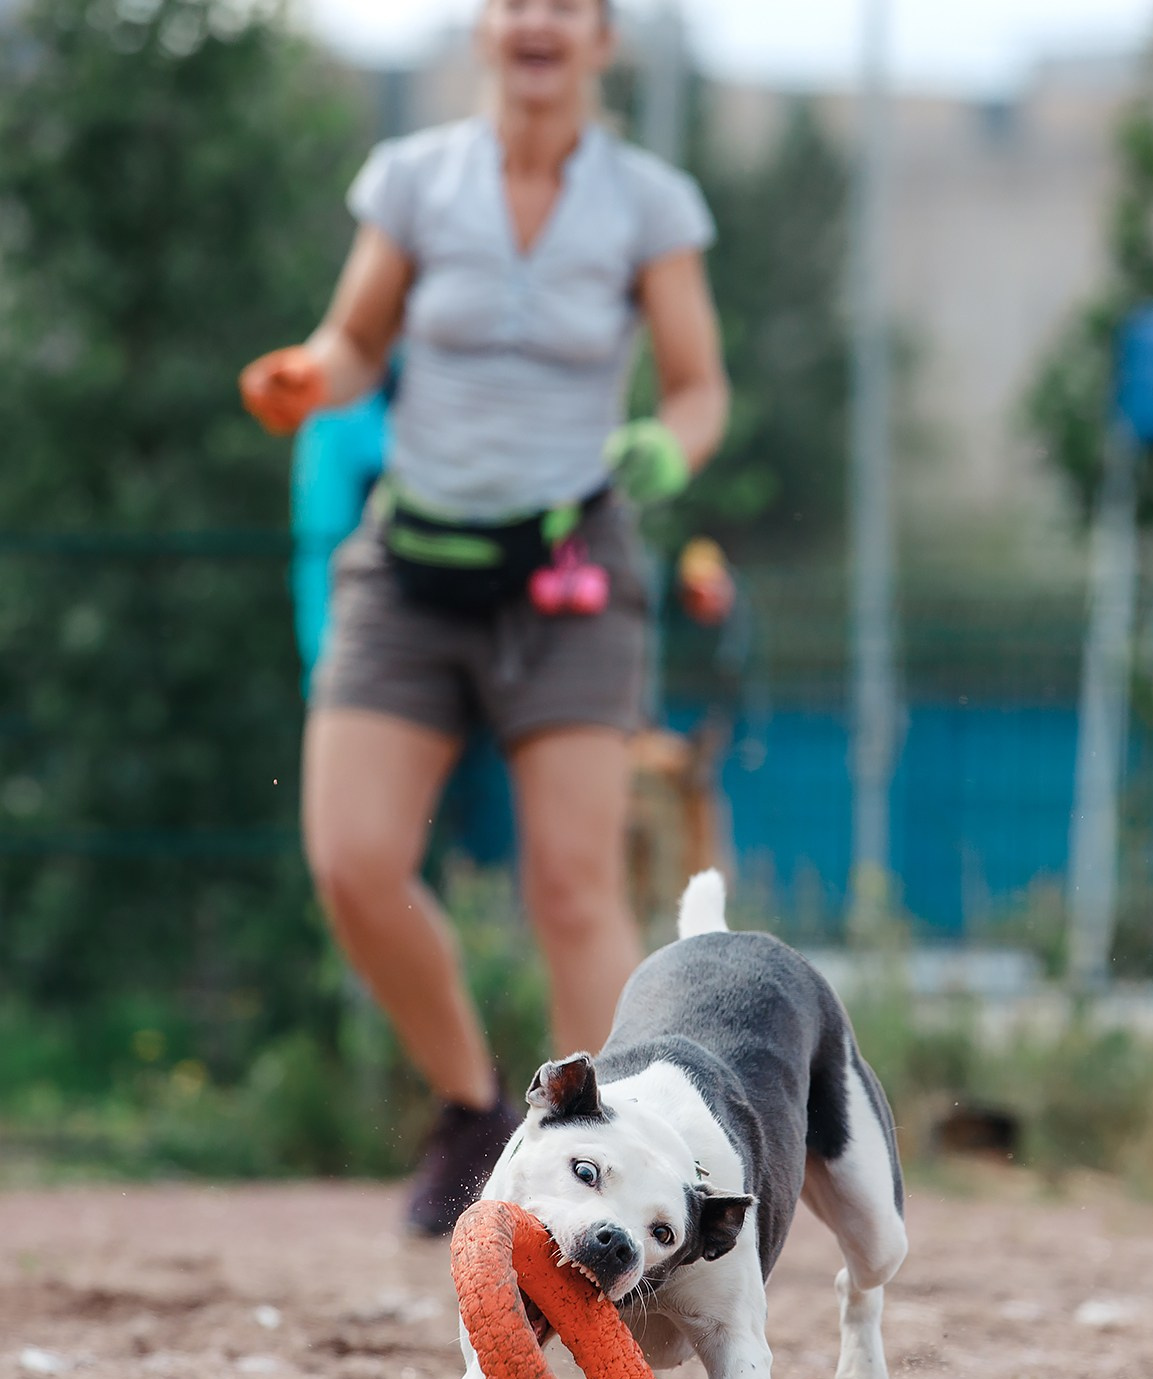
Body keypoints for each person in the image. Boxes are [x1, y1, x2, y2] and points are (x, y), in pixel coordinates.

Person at [239, 0, 730, 1235]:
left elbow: (697, 388)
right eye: (516, 2)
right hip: (410, 567)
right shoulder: (413, 181)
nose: (537, 23)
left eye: (565, 6)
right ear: (483, 28)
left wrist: (667, 452)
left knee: (571, 886)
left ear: (601, 38)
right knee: (352, 862)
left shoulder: (648, 204)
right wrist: (309, 376)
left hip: (567, 574)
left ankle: (612, 1158)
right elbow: (357, 342)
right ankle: (468, 1109)